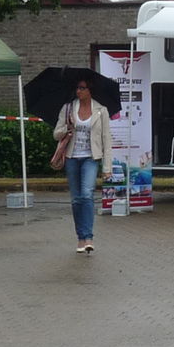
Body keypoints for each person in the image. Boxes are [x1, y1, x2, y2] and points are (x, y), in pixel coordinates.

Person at [53, 76, 111, 253]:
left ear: (89, 90)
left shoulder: (101, 110)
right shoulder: (68, 108)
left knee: (86, 195)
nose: (78, 91)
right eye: (77, 88)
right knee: (76, 199)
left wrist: (107, 168)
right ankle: (80, 238)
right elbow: (56, 134)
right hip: (72, 157)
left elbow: (106, 139)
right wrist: (67, 128)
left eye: (82, 88)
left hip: (90, 158)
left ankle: (88, 237)